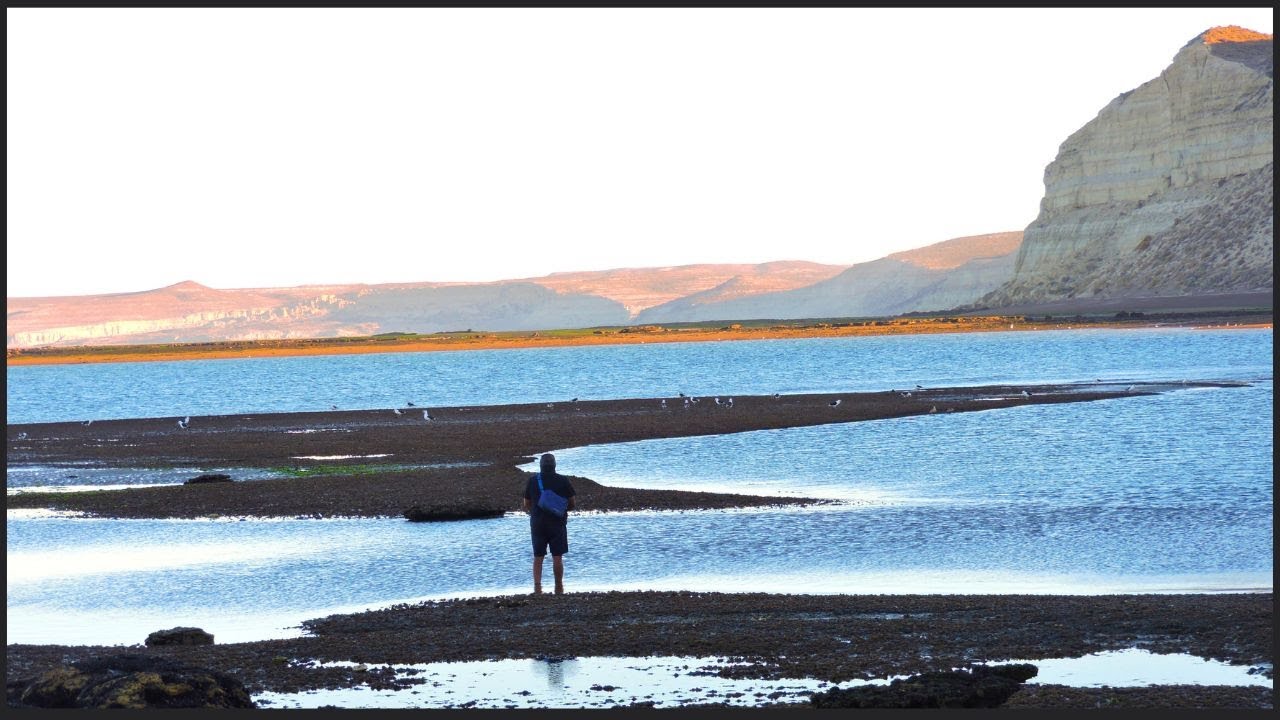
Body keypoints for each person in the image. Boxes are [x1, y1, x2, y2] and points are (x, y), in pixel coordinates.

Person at [523, 453, 576, 594]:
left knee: (538, 556)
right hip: (557, 522)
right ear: (554, 465)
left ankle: (537, 587)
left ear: (540, 465)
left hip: (537, 523)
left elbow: (526, 503)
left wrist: (537, 511)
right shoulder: (563, 480)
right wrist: (559, 510)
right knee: (557, 556)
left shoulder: (533, 480)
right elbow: (572, 503)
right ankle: (559, 586)